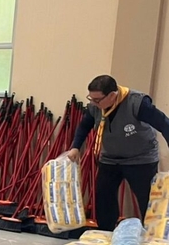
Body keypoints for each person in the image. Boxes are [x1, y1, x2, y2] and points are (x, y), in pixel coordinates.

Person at [66, 75, 169, 231]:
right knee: (103, 196)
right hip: (110, 158)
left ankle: (153, 236)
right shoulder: (96, 107)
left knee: (147, 200)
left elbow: (164, 123)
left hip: (140, 159)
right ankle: (106, 232)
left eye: (97, 100)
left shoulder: (137, 103)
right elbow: (84, 126)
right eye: (91, 98)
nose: (93, 103)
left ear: (112, 95)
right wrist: (75, 147)